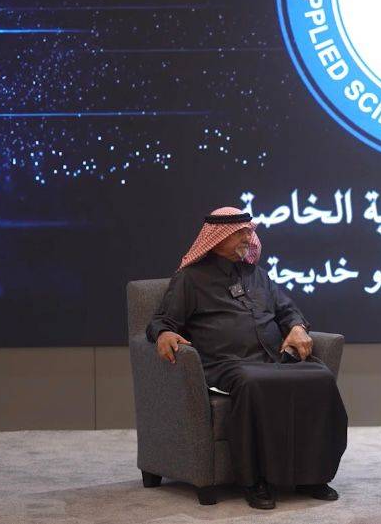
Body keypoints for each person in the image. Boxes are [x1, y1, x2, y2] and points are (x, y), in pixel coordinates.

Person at [147, 207, 348, 509]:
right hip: (227, 364)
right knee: (252, 382)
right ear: (218, 238)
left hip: (273, 360)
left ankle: (311, 476)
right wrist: (164, 333)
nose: (248, 237)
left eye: (249, 231)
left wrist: (296, 327)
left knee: (320, 377)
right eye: (240, 232)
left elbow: (287, 310)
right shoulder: (190, 279)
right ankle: (254, 481)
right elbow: (162, 320)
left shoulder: (258, 275)